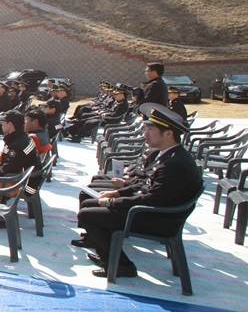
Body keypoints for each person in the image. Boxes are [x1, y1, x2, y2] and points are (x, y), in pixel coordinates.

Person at [77, 103, 202, 278]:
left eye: (151, 130)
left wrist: (112, 202)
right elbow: (146, 185)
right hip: (153, 210)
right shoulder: (168, 154)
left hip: (157, 218)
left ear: (168, 133)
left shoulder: (175, 164)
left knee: (87, 214)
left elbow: (152, 199)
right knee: (90, 203)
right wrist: (117, 193)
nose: (145, 134)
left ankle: (122, 266)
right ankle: (109, 256)